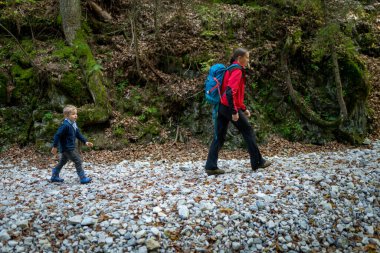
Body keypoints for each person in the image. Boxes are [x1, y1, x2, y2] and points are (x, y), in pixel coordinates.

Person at [205, 48, 271, 176]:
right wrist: (235, 111)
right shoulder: (237, 70)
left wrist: (243, 108)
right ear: (239, 58)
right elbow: (230, 92)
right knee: (247, 130)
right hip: (228, 107)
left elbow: (233, 93)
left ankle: (211, 166)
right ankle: (257, 162)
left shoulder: (230, 69)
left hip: (221, 106)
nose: (248, 60)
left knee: (220, 136)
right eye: (247, 57)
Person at [50, 105, 93, 184]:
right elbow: (57, 135)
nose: (75, 115)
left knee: (63, 161)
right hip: (67, 148)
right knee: (78, 160)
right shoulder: (65, 125)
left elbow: (78, 134)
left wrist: (85, 142)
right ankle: (83, 178)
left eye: (76, 113)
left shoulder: (73, 124)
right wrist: (55, 146)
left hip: (68, 147)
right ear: (66, 116)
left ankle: (55, 174)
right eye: (73, 114)